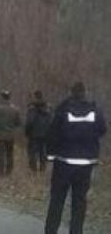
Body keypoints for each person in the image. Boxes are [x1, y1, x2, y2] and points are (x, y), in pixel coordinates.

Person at [45, 82, 107, 234]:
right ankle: (76, 231)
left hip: (64, 161)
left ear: (71, 93)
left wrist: (50, 156)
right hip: (86, 163)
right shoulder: (95, 110)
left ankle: (51, 230)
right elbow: (102, 129)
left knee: (57, 199)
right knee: (79, 201)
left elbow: (52, 133)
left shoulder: (63, 110)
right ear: (85, 93)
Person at [0, 90, 21, 177]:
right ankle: (9, 171)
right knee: (10, 154)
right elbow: (18, 123)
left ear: (2, 97)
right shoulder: (15, 109)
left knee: (0, 154)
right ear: (9, 97)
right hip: (10, 135)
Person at [25, 90, 52, 172]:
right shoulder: (48, 108)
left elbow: (30, 122)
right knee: (43, 152)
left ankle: (33, 170)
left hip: (34, 134)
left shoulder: (32, 108)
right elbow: (51, 121)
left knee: (32, 152)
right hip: (46, 134)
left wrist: (27, 132)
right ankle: (42, 169)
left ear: (35, 96)